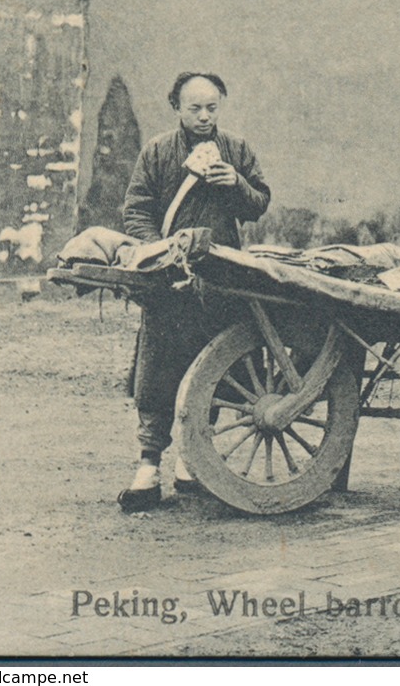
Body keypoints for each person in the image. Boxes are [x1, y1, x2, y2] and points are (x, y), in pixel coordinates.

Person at [118, 71, 271, 511]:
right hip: (167, 284)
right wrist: (159, 251)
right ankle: (148, 466)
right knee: (157, 372)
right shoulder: (158, 152)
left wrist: (235, 184)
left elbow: (259, 203)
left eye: (212, 108)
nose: (204, 117)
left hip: (220, 281)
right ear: (177, 108)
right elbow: (137, 210)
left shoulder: (237, 150)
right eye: (194, 108)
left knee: (214, 370)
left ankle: (191, 460)